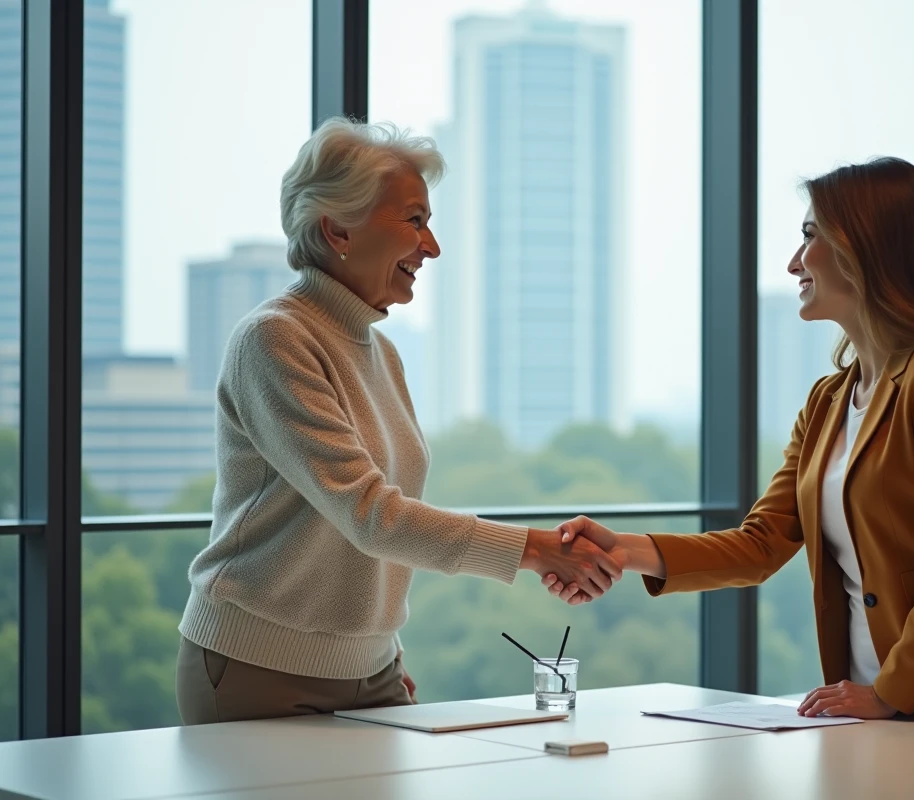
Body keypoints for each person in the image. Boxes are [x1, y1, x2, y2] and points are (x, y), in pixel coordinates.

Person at [544, 157, 914, 733]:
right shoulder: (829, 400)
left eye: (809, 237)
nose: (792, 262)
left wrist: (887, 691)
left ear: (865, 247)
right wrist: (622, 551)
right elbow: (761, 545)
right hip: (868, 712)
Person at [175, 117, 621, 725]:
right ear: (338, 229)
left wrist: (381, 650)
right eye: (414, 221)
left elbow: (366, 535)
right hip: (257, 672)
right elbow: (370, 513)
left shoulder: (380, 351)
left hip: (372, 672)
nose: (432, 246)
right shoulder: (274, 339)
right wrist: (538, 549)